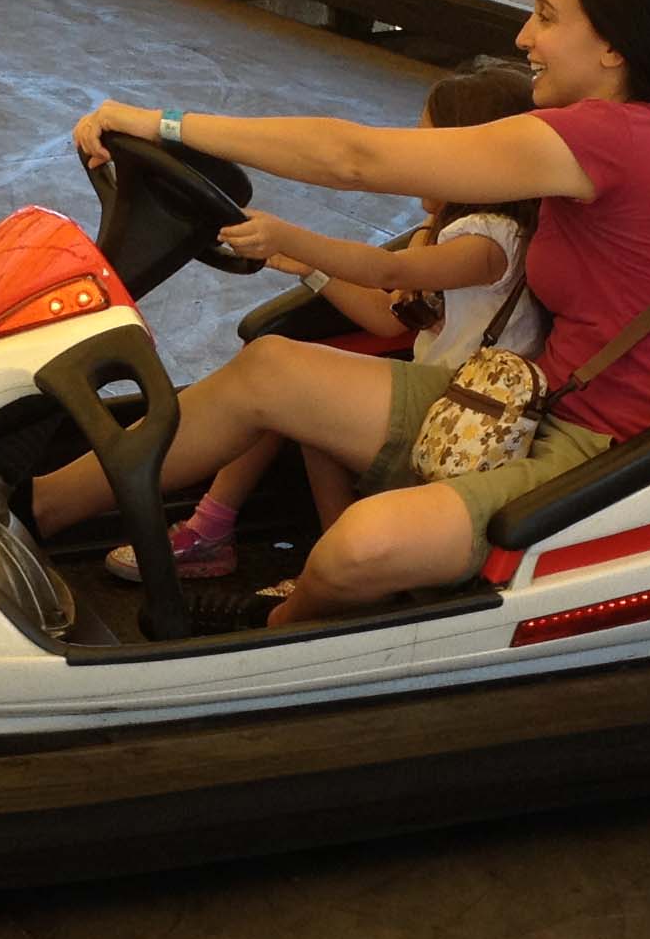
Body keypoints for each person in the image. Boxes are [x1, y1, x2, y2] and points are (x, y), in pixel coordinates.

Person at [34, 0, 650, 628]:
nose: (525, 36)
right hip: (524, 399)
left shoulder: (611, 138)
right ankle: (29, 509)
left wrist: (164, 125)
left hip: (611, 456)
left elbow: (355, 160)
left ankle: (279, 633)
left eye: (548, 18)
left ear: (615, 47)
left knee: (358, 547)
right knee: (272, 369)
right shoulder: (624, 134)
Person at [105, 59, 545, 583]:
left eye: (426, 147)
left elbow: (389, 272)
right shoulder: (445, 227)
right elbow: (388, 319)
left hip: (468, 421)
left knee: (291, 389)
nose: (412, 161)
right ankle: (251, 536)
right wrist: (309, 267)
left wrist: (293, 238)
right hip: (440, 393)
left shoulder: (491, 241)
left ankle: (271, 550)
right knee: (301, 399)